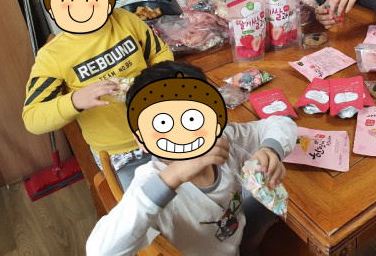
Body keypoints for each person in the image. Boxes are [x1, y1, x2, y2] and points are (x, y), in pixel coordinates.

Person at [86, 61, 297, 256]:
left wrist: (271, 149)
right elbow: (100, 251)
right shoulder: (151, 185)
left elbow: (280, 123)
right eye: (163, 123)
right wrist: (174, 175)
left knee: (280, 203)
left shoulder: (225, 140)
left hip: (233, 242)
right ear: (141, 139)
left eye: (192, 118)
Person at [22, 0, 173, 189]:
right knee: (149, 206)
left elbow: (160, 53)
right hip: (120, 153)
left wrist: (153, 83)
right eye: (68, 2)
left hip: (160, 126)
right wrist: (75, 100)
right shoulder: (52, 55)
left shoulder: (124, 20)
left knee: (193, 191)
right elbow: (33, 118)